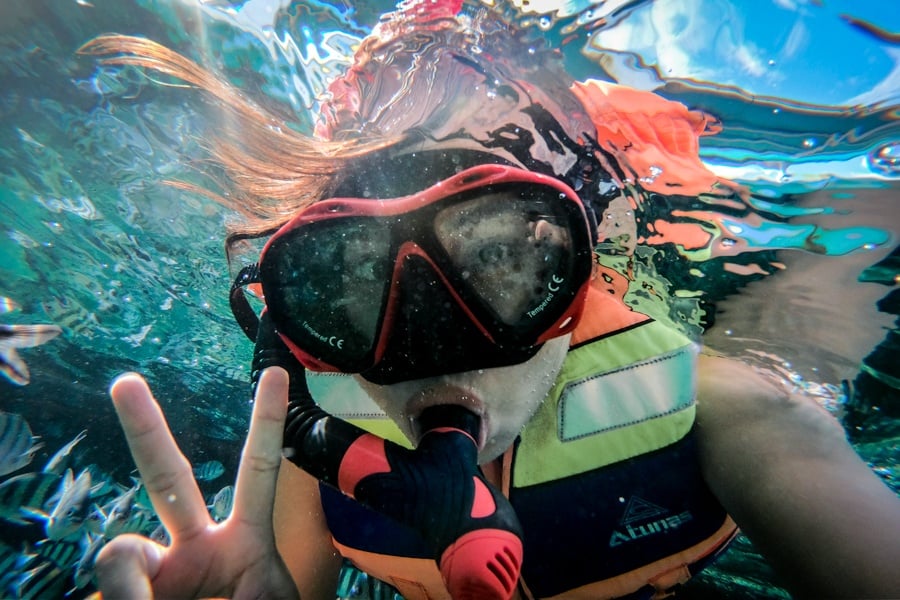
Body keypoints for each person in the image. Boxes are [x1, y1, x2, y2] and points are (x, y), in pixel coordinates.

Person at [83, 3, 900, 599]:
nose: (434, 342)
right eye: (356, 281)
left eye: (498, 258)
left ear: (575, 279)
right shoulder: (314, 442)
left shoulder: (725, 411)